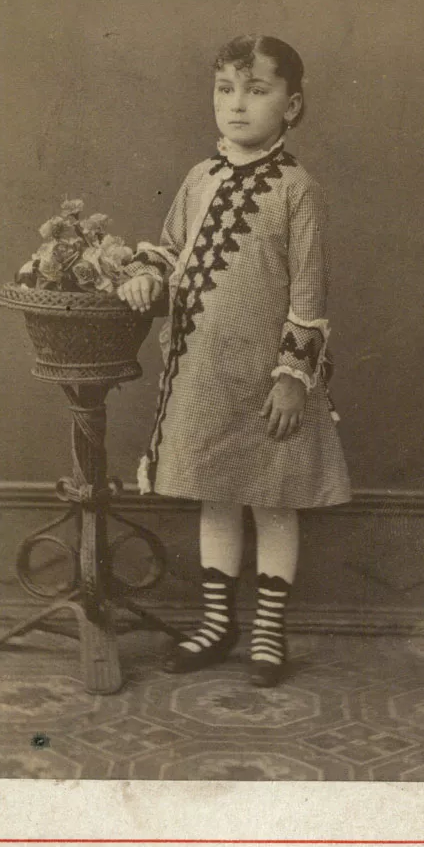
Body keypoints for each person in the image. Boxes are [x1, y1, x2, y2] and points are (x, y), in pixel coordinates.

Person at [118, 34, 351, 686]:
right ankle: (217, 622)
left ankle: (269, 629)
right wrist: (146, 275)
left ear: (292, 105)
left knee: (275, 499)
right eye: (226, 90)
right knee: (215, 497)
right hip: (204, 372)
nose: (238, 105)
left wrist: (292, 376)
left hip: (270, 381)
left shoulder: (298, 190)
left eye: (257, 90)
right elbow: (169, 249)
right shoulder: (200, 179)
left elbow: (309, 294)